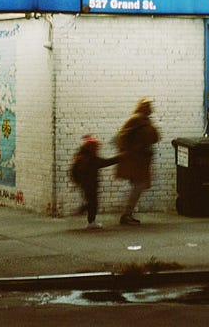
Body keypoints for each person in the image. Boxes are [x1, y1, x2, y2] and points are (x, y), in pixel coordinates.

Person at [112, 98, 160, 226]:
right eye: (148, 105)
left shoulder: (144, 119)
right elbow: (122, 136)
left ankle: (127, 213)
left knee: (139, 185)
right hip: (136, 160)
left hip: (140, 160)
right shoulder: (136, 119)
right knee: (139, 185)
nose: (151, 108)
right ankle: (126, 214)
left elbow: (153, 136)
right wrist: (131, 150)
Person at [68, 135, 116, 230]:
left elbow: (73, 172)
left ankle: (84, 212)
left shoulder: (81, 158)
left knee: (91, 201)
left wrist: (78, 182)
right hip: (92, 184)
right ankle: (91, 221)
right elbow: (106, 162)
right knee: (93, 203)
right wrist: (121, 157)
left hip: (84, 184)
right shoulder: (92, 159)